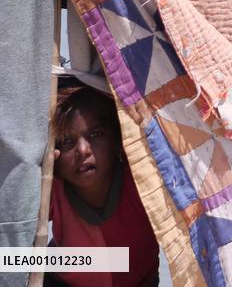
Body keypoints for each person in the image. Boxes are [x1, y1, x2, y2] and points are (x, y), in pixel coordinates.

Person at [47, 85, 159, 287]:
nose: (83, 150)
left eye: (95, 135)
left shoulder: (142, 179)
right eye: (66, 142)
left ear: (117, 140)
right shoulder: (51, 187)